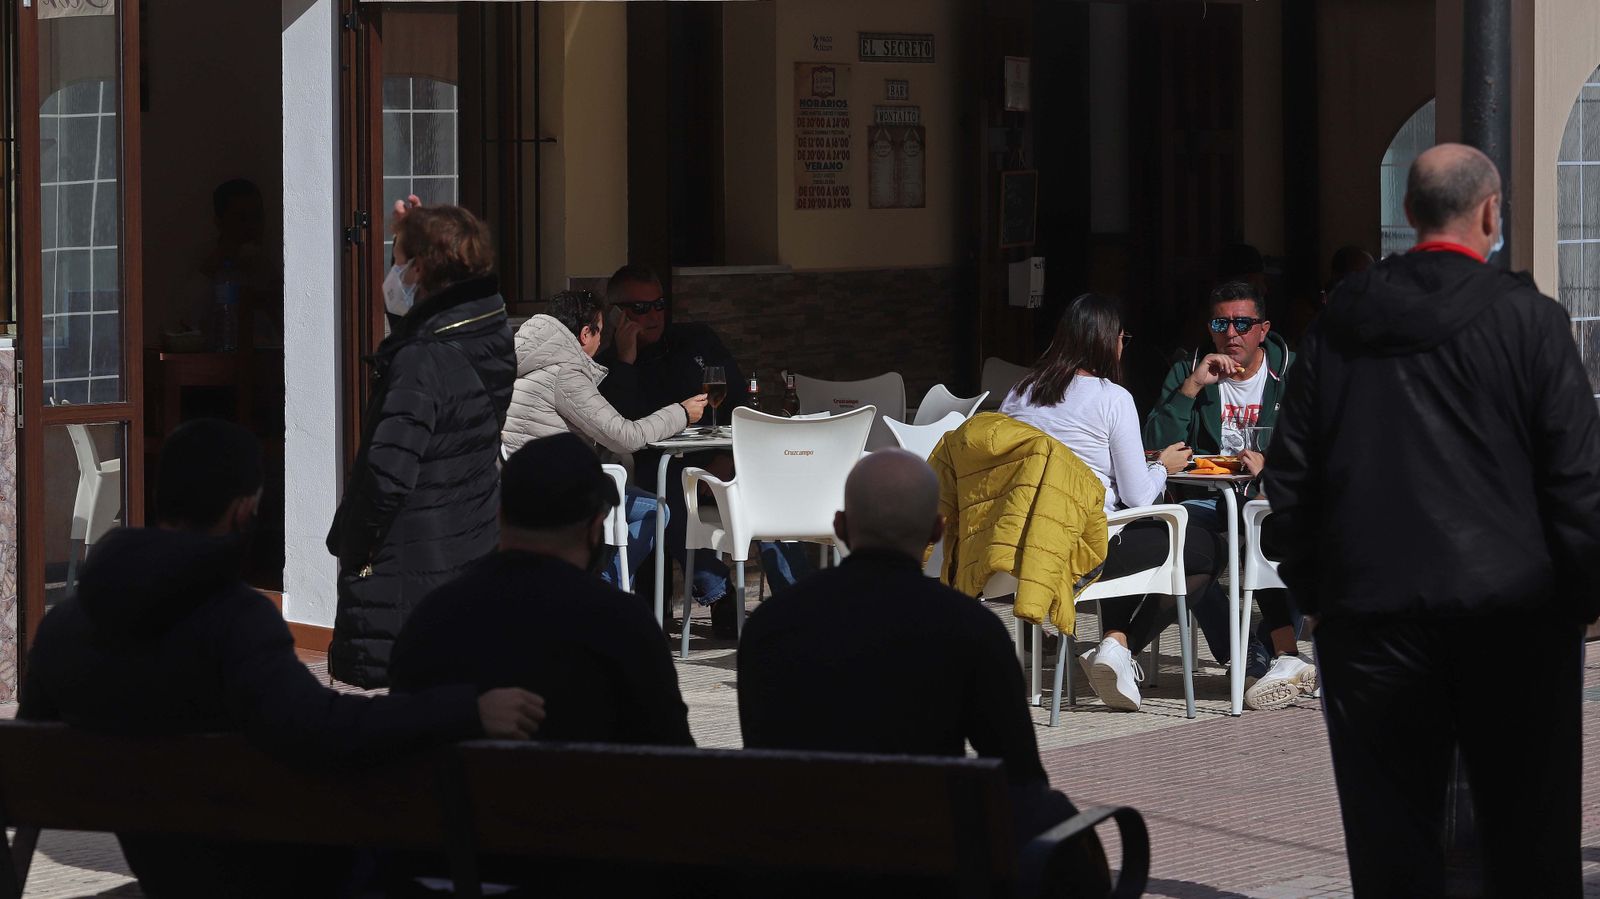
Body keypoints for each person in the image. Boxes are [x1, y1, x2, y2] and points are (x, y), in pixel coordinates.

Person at [1264, 143, 1600, 895]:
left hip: (1372, 622)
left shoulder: (1336, 328)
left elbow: (1290, 480)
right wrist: (1579, 600)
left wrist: (1318, 592)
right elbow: (1578, 482)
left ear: (1409, 214)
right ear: (1491, 211)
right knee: (1531, 841)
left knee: (1391, 847)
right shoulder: (1531, 324)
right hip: (1515, 622)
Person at [19, 419, 545, 899]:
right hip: (280, 876)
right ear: (244, 510)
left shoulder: (65, 629)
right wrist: (464, 709)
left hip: (167, 875)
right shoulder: (233, 621)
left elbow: (30, 765)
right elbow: (324, 729)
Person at [738, 449, 1110, 893]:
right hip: (929, 866)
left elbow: (761, 748)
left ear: (840, 527)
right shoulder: (970, 629)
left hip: (795, 865)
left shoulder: (769, 625)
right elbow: (1022, 776)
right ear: (938, 529)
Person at [391, 433, 693, 746]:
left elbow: (404, 735)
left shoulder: (436, 614)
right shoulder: (624, 624)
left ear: (500, 516)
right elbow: (676, 757)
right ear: (594, 529)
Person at [1000, 293, 1222, 712]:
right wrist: (1166, 467)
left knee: (1126, 529)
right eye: (1122, 337)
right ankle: (1122, 649)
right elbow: (1139, 494)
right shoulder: (1111, 397)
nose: (1124, 345)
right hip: (1086, 548)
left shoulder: (1021, 391)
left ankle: (1115, 645)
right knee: (1207, 549)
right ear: (1107, 341)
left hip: (1027, 544)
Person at [327, 202, 515, 688]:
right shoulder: (486, 331)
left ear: (422, 269)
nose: (393, 273)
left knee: (412, 719)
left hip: (415, 564)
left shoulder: (423, 360)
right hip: (468, 541)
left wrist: (353, 545)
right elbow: (426, 333)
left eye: (400, 260)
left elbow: (385, 476)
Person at [596, 264, 810, 636]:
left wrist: (726, 458)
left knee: (774, 493)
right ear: (617, 313)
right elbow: (620, 424)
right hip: (662, 467)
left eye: (659, 305)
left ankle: (802, 608)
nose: (654, 315)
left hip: (723, 458)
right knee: (667, 492)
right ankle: (720, 593)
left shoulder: (694, 340)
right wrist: (626, 359)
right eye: (641, 308)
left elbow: (740, 400)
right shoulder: (609, 364)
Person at [1142, 280, 1309, 710]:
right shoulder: (1189, 368)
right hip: (1207, 497)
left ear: (1262, 329)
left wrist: (1272, 467)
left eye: (1241, 323)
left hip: (1271, 500)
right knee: (1177, 548)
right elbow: (1153, 449)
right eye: (1221, 323)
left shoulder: (1294, 372)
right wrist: (1193, 388)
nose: (1230, 333)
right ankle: (1248, 651)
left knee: (1284, 536)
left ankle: (1272, 652)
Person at [503, 290, 708, 588]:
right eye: (601, 332)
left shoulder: (526, 360)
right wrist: (681, 413)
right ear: (586, 333)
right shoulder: (565, 372)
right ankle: (601, 590)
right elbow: (626, 437)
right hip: (561, 494)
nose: (602, 342)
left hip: (523, 490)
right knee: (656, 510)